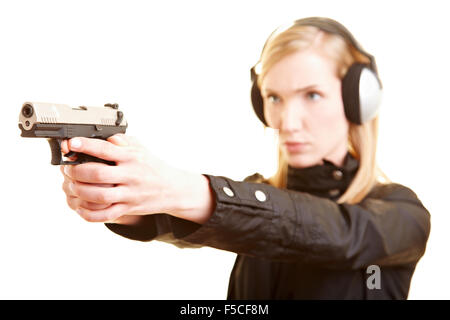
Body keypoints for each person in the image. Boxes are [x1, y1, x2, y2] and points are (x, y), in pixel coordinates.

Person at [59, 17, 431, 299]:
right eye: (274, 97)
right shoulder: (258, 194)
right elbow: (219, 220)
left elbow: (337, 234)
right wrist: (122, 200)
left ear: (359, 100)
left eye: (312, 95)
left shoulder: (400, 215)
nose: (287, 122)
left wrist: (183, 190)